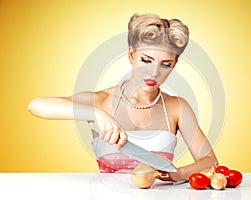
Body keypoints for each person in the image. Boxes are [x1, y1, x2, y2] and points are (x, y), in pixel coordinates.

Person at [28, 13, 218, 182]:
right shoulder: (101, 101)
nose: (154, 73)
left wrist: (179, 173)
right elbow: (36, 105)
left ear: (174, 64)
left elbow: (210, 161)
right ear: (131, 55)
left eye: (165, 65)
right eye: (146, 60)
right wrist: (95, 113)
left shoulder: (177, 107)